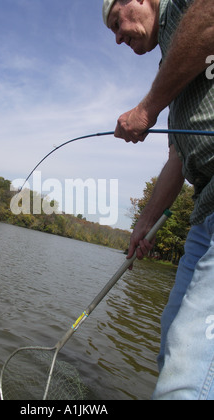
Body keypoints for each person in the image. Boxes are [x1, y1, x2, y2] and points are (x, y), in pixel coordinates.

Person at [102, 0, 214, 400]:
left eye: (118, 21)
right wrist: (143, 224)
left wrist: (148, 108)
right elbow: (177, 159)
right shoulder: (173, 62)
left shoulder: (184, 9)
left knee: (186, 377)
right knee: (171, 341)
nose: (117, 37)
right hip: (204, 214)